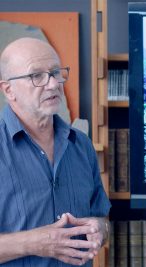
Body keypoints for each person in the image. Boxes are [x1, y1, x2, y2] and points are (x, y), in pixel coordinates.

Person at [0, 37, 111, 266]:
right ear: (9, 90)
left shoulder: (81, 145)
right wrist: (33, 243)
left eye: (55, 72)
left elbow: (102, 218)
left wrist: (100, 229)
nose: (52, 84)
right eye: (36, 76)